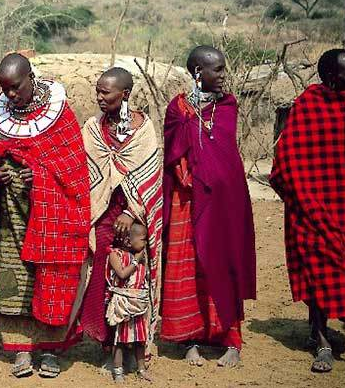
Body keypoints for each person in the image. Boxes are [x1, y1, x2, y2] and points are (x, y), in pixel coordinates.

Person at [0, 53, 91, 378]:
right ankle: (20, 350)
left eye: (16, 87)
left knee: (49, 278)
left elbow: (72, 167)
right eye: (4, 89)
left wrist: (42, 176)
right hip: (10, 216)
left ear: (31, 77)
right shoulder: (0, 114)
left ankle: (49, 349)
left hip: (51, 214)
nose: (11, 95)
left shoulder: (60, 115)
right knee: (13, 279)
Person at [160, 45, 256, 368]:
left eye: (224, 69)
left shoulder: (228, 105)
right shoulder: (177, 110)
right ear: (199, 73)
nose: (224, 76)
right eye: (218, 70)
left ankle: (231, 340)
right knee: (188, 266)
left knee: (224, 261)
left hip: (224, 202)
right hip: (187, 200)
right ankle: (190, 339)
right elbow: (173, 153)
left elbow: (224, 154)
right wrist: (186, 175)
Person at [73, 67, 162, 372]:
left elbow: (149, 177)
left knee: (134, 278)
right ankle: (108, 345)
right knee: (104, 277)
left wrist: (130, 211)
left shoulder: (144, 130)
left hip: (134, 220)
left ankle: (135, 344)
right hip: (102, 213)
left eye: (105, 92)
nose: (99, 97)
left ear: (124, 94)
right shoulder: (94, 129)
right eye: (97, 91)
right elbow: (87, 172)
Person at [270, 48, 345, 373]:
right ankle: (321, 338)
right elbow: (288, 161)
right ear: (330, 77)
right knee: (318, 272)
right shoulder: (308, 106)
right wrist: (303, 200)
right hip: (312, 206)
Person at [106, 223, 153, 383]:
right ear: (127, 241)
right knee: (119, 339)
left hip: (138, 304)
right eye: (143, 239)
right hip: (122, 305)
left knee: (140, 339)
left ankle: (141, 369)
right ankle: (118, 371)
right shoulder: (115, 255)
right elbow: (121, 274)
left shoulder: (142, 257)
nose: (146, 242)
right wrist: (135, 261)